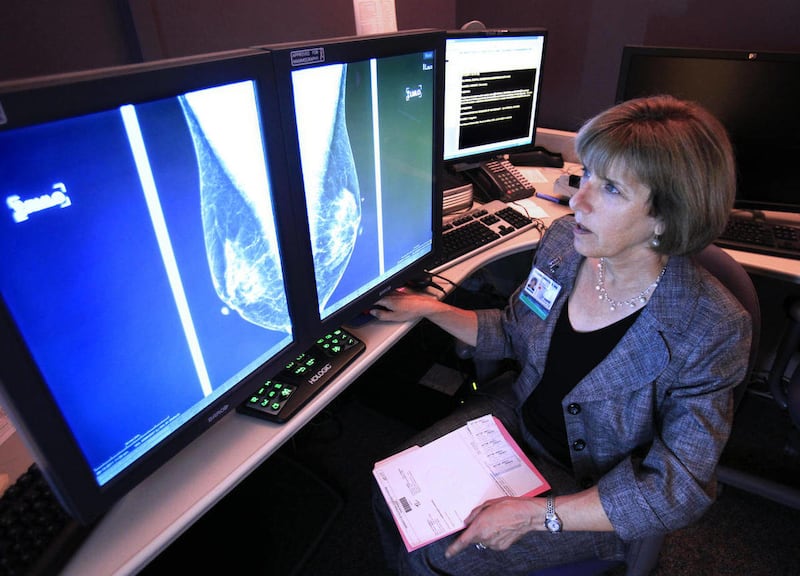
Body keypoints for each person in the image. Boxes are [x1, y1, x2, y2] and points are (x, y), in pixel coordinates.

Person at [369, 95, 753, 575]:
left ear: (669, 217)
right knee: (393, 488)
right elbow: (512, 331)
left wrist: (540, 515)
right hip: (517, 419)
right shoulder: (563, 248)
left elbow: (678, 486)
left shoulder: (710, 327)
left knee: (435, 555)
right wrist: (430, 308)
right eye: (587, 173)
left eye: (610, 189)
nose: (578, 199)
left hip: (590, 487)